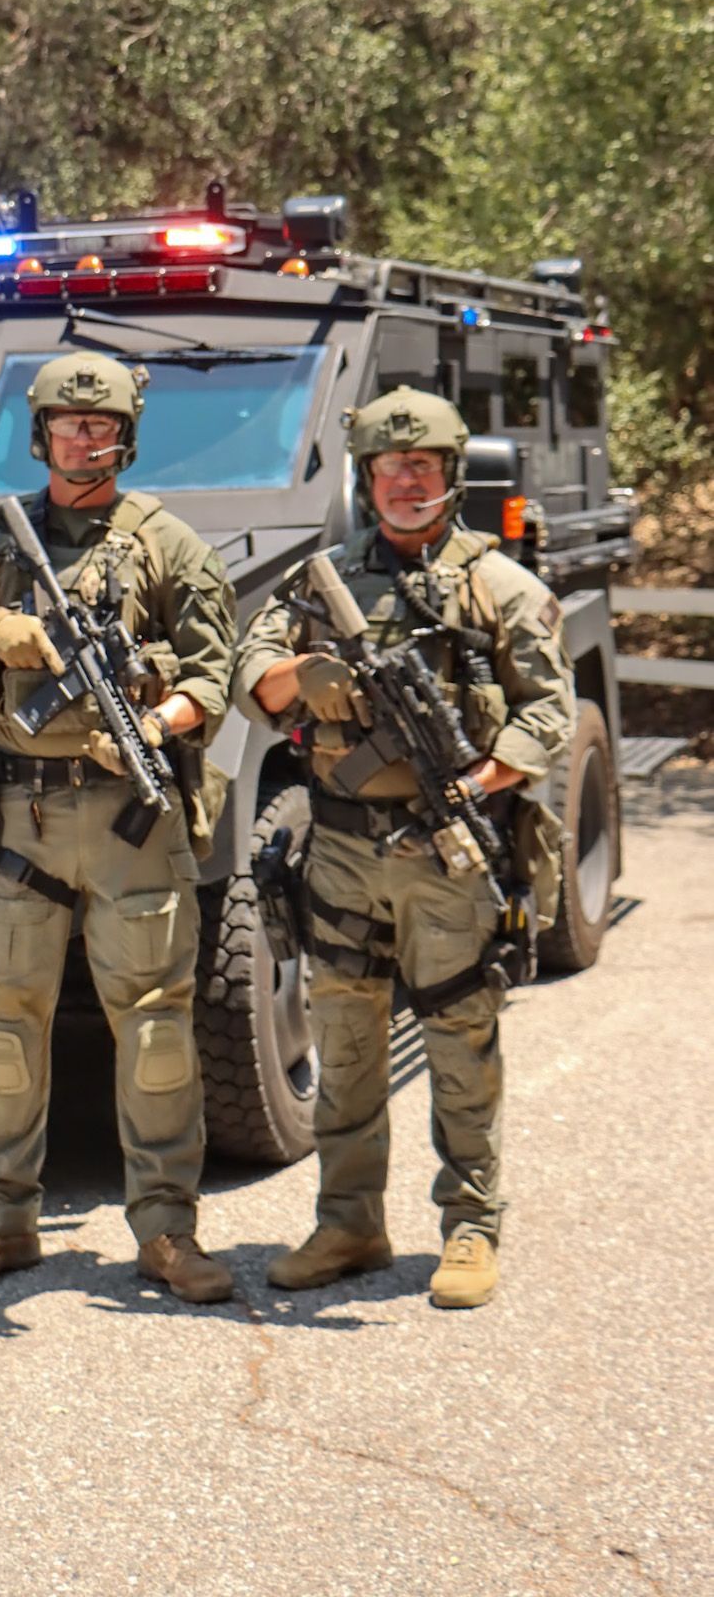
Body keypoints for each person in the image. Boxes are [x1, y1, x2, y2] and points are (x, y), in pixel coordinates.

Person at [234, 386, 575, 1309]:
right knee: (345, 1044)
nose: (404, 482)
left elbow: (549, 711)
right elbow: (249, 681)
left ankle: (469, 1226)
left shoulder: (498, 586)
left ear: (451, 475)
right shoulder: (325, 581)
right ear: (367, 479)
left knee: (460, 1038)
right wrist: (298, 676)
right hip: (342, 849)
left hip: (445, 850)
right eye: (388, 468)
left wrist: (478, 780)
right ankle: (349, 1222)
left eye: (421, 466)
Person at [0, 351, 236, 1304]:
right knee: (5, 1026)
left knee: (155, 1028)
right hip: (21, 817)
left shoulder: (171, 547)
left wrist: (154, 723)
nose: (81, 438)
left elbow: (213, 683)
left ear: (124, 436)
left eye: (98, 427)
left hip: (133, 818)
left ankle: (167, 1233)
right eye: (65, 423)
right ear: (41, 431)